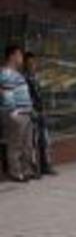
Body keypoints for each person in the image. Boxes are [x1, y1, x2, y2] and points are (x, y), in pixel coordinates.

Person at [1, 45, 37, 182]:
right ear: (12, 56)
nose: (22, 58)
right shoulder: (7, 73)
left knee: (27, 145)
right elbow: (7, 95)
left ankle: (27, 170)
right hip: (17, 114)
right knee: (16, 145)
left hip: (26, 113)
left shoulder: (16, 74)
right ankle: (16, 173)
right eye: (20, 55)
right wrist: (13, 113)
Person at [23, 52, 56, 176]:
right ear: (25, 64)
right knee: (34, 141)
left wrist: (43, 109)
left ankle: (46, 165)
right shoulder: (25, 78)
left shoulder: (36, 78)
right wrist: (32, 110)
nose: (33, 65)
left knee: (45, 140)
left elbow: (40, 95)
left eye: (34, 63)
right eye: (30, 63)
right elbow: (27, 97)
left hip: (41, 111)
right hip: (32, 112)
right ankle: (35, 169)